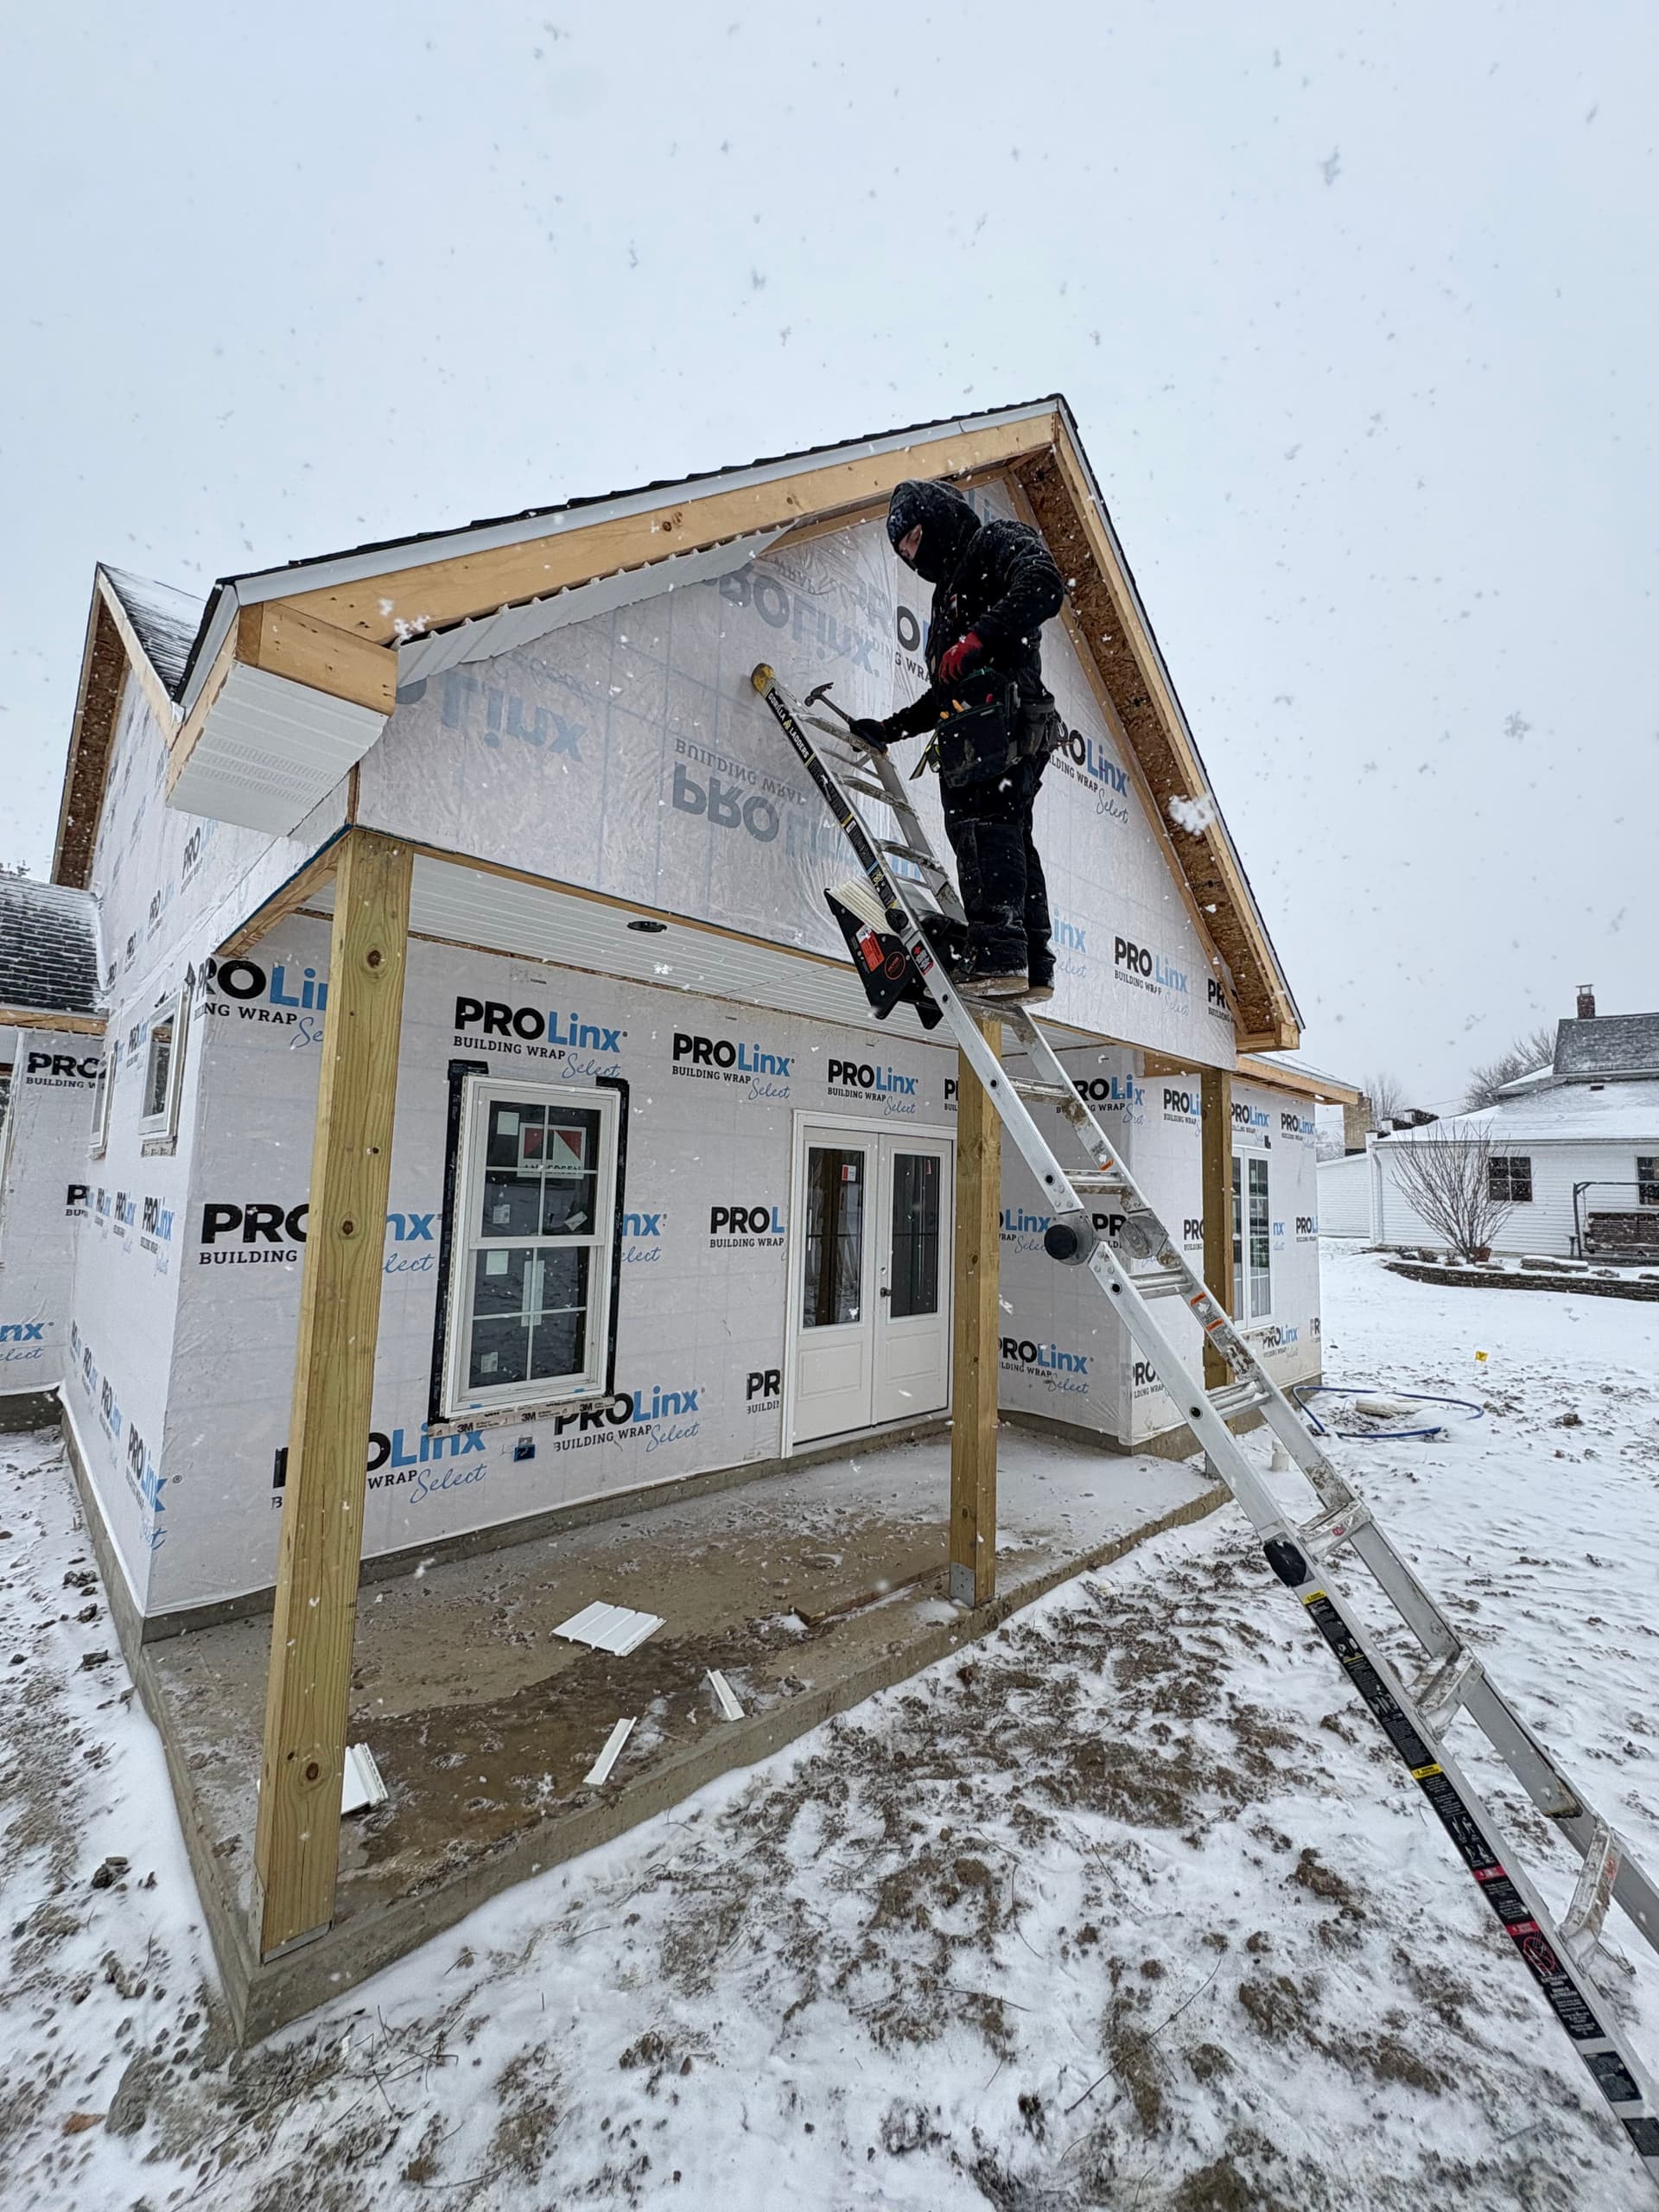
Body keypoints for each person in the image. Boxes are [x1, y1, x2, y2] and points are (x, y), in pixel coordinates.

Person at [850, 479, 1066, 1001]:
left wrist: (979, 637)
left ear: (940, 519)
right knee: (1010, 838)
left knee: (984, 833)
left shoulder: (992, 544)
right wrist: (891, 729)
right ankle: (1031, 964)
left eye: (916, 538)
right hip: (976, 730)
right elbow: (946, 691)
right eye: (903, 552)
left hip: (1000, 725)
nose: (911, 555)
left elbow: (1044, 583)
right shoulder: (944, 599)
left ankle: (999, 959)